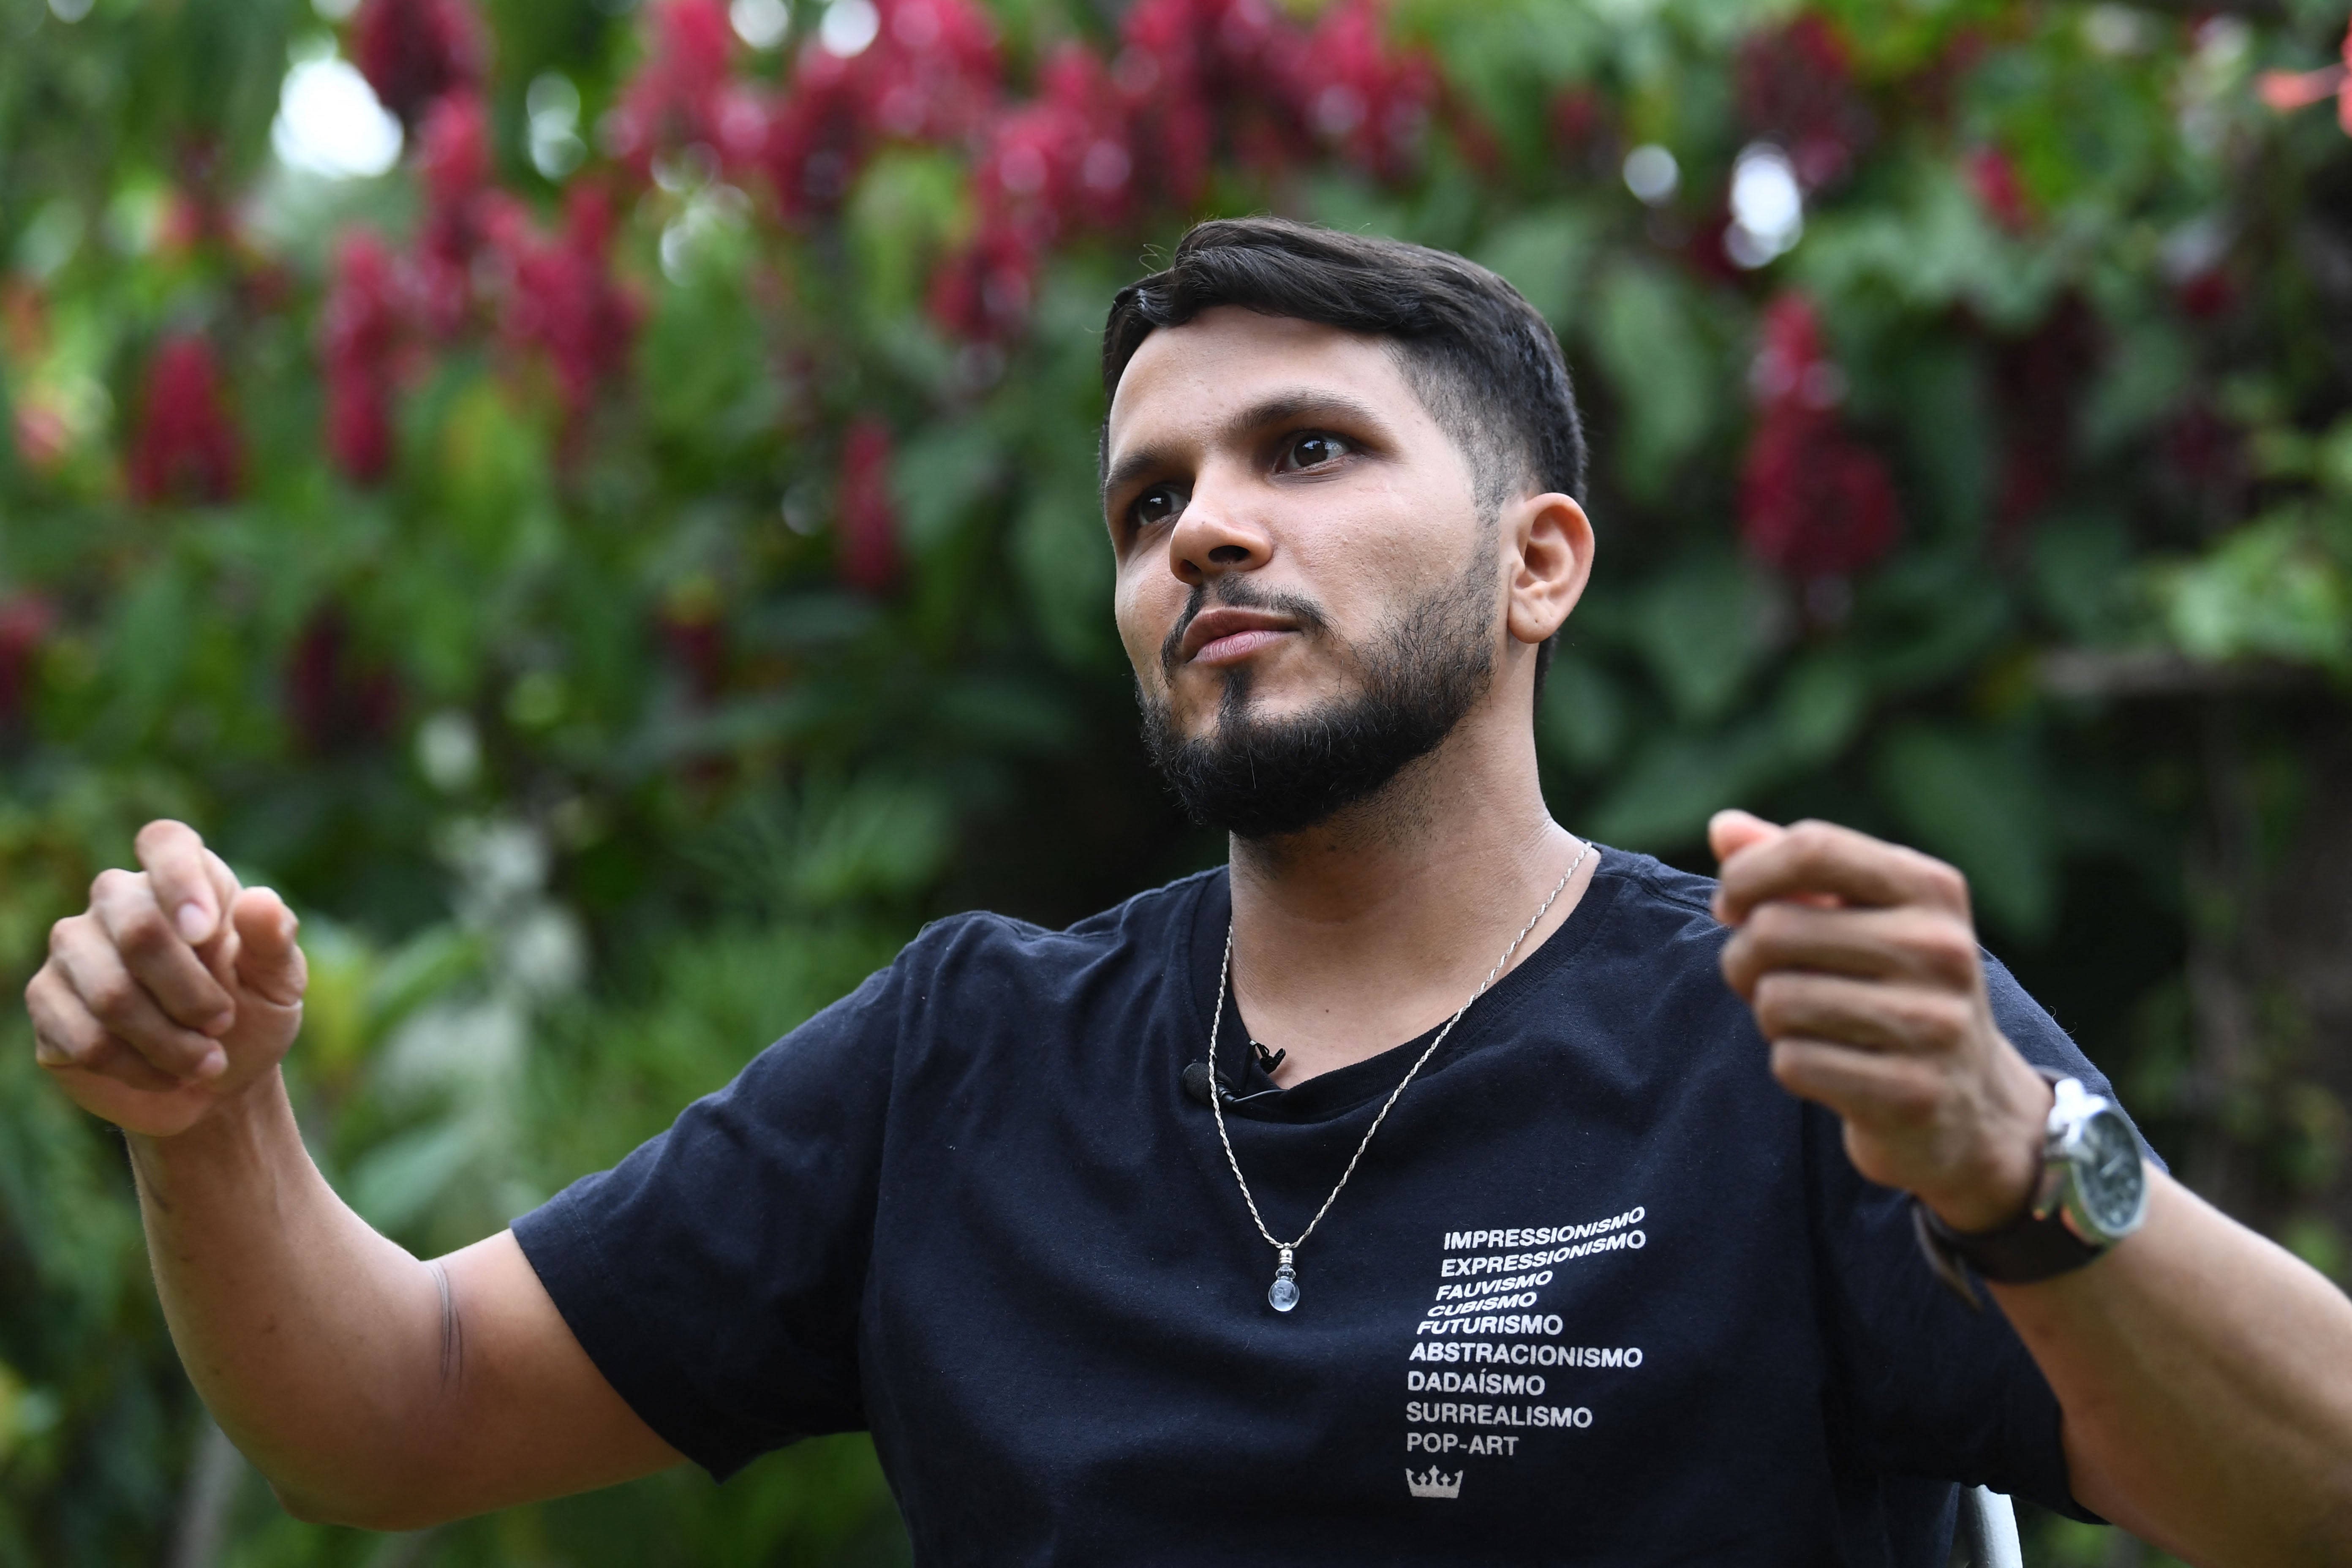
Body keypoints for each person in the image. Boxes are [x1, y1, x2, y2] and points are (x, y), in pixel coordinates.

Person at [26, 218, 2352, 1565]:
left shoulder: (1784, 1038)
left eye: (1308, 454)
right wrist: (213, 1126)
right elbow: (401, 1408)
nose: (1209, 529)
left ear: (1544, 561)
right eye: (1150, 504)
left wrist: (2025, 1181)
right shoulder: (968, 1063)